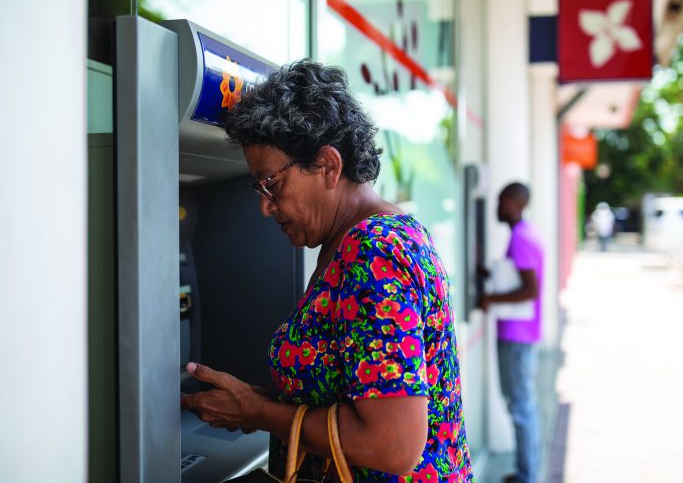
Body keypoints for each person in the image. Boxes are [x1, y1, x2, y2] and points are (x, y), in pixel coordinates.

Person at [180, 60, 473, 482]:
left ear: (329, 166)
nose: (264, 207)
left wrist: (258, 411)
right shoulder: (361, 240)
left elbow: (391, 444)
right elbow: (352, 391)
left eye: (272, 184)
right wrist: (253, 400)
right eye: (257, 189)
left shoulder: (374, 253)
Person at [481, 183, 544, 483]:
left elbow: (530, 289)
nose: (496, 208)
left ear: (512, 202)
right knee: (522, 405)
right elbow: (515, 278)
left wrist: (490, 299)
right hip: (520, 334)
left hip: (516, 336)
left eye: (500, 201)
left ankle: (527, 475)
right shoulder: (524, 234)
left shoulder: (520, 238)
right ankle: (526, 471)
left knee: (521, 407)